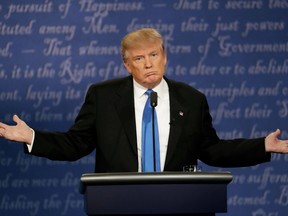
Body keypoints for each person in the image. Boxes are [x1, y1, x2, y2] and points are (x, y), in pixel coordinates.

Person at [0, 28, 287, 173]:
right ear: (127, 65)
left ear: (164, 57)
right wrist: (32, 137)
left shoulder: (192, 99)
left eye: (154, 55)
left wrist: (262, 146)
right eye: (139, 58)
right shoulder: (103, 97)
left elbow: (212, 150)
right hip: (117, 204)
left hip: (180, 206)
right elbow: (76, 144)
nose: (149, 63)